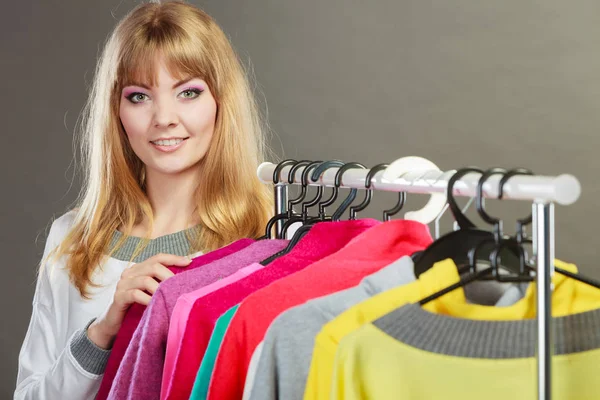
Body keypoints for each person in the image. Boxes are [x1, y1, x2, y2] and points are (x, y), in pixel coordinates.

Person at [14, 1, 273, 399]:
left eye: (188, 92)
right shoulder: (72, 239)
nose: (164, 117)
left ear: (222, 101)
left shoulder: (266, 235)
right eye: (139, 96)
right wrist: (101, 334)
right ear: (116, 110)